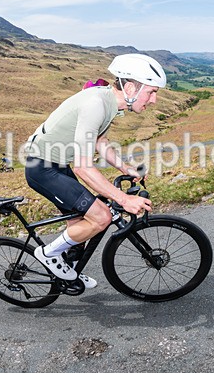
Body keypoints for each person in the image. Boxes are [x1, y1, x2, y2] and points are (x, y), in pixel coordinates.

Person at [24, 53, 165, 288]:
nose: (153, 101)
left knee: (79, 223)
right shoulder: (96, 105)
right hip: (42, 169)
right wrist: (123, 199)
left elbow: (101, 142)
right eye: (151, 92)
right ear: (130, 88)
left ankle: (65, 272)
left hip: (57, 165)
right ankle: (48, 254)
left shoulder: (109, 103)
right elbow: (83, 167)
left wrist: (125, 167)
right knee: (102, 216)